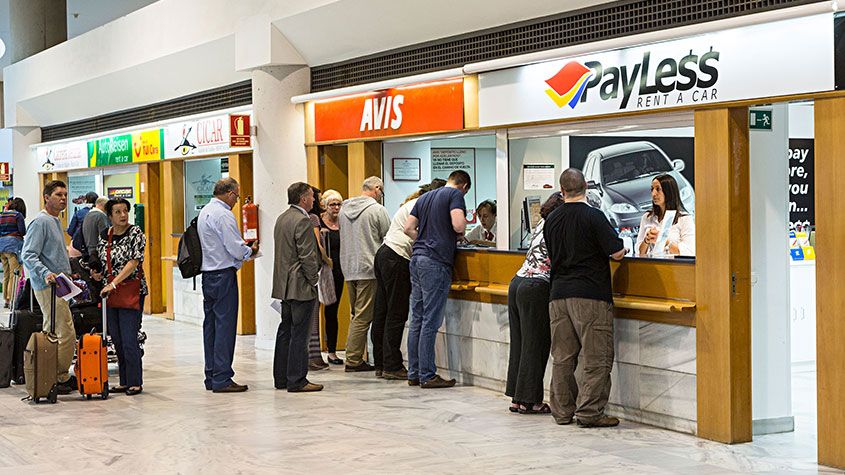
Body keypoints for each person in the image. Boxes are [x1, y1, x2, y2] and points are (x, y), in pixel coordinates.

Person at [544, 168, 627, 427]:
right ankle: (590, 412)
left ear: (562, 190)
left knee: (563, 357)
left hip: (558, 295)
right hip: (590, 294)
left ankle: (562, 411)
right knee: (596, 357)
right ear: (586, 189)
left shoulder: (552, 219)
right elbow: (617, 252)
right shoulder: (594, 216)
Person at [371, 179, 446, 380]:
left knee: (383, 312)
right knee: (396, 313)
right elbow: (413, 231)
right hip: (398, 257)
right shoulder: (425, 205)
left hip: (384, 253)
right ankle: (392, 365)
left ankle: (381, 363)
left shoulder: (413, 202)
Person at [403, 170, 471, 388]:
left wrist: (425, 239)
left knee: (417, 319)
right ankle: (427, 375)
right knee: (430, 321)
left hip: (417, 259)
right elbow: (458, 225)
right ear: (464, 186)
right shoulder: (455, 195)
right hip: (436, 262)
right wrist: (448, 239)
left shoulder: (424, 197)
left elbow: (408, 228)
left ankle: (414, 372)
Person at [197, 177, 259, 393]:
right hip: (223, 276)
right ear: (231, 193)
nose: (236, 201)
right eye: (237, 196)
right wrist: (250, 251)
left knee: (211, 327)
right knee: (225, 327)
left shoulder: (205, 211)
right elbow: (234, 247)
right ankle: (222, 378)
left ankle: (211, 375)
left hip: (208, 276)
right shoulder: (223, 214)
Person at [506, 192, 564, 414]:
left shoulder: (541, 223)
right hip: (537, 286)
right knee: (536, 344)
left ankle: (516, 397)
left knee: (519, 344)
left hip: (518, 281)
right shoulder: (558, 225)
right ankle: (531, 400)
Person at [21, 181, 77, 395]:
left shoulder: (55, 220)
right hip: (48, 286)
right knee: (62, 332)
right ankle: (56, 376)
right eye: (57, 194)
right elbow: (28, 254)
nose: (63, 198)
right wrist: (46, 273)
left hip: (62, 284)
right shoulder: (40, 221)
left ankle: (57, 374)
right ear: (46, 197)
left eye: (65, 194)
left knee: (61, 329)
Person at [272, 182, 323, 393]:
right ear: (303, 198)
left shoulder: (282, 218)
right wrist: (314, 279)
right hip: (300, 285)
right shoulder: (302, 220)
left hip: (284, 285)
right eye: (311, 196)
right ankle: (297, 380)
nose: (314, 200)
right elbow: (307, 256)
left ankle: (281, 377)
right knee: (300, 334)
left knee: (285, 331)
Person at [339, 176, 390, 373]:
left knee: (356, 314)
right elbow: (388, 237)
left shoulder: (344, 209)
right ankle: (353, 359)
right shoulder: (377, 210)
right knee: (363, 317)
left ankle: (355, 356)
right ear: (377, 189)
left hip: (349, 268)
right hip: (369, 268)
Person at [97, 198, 147, 396]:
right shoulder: (105, 235)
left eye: (125, 211)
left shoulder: (136, 233)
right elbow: (102, 259)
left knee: (129, 338)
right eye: (117, 212)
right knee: (116, 338)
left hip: (130, 290)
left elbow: (133, 263)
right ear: (109, 216)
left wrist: (114, 283)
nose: (123, 215)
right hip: (109, 293)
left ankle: (135, 381)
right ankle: (124, 380)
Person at [636, 174, 695, 257]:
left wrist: (663, 240)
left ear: (669, 191)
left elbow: (690, 252)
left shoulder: (685, 219)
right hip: (651, 266)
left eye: (658, 189)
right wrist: (647, 240)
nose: (653, 194)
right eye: (652, 189)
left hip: (676, 267)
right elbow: (640, 253)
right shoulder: (647, 217)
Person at [319, 189, 344, 365]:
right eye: (332, 204)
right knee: (323, 309)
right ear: (325, 206)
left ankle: (333, 351)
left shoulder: (344, 222)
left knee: (333, 311)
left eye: (338, 204)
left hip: (340, 271)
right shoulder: (318, 222)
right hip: (323, 271)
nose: (336, 207)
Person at [307, 186, 330, 371]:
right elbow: (316, 243)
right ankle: (314, 356)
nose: (319, 202)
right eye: (318, 198)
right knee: (313, 315)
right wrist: (327, 259)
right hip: (314, 272)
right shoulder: (313, 219)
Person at [0, 198, 26, 308]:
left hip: (1, 246)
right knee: (14, 274)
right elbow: (22, 231)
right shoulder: (18, 215)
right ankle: (12, 299)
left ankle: (6, 299)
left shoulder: (2, 215)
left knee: (6, 274)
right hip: (13, 247)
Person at [82, 196, 111, 274]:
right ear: (105, 206)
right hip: (98, 252)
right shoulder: (101, 216)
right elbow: (105, 235)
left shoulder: (88, 215)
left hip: (89, 251)